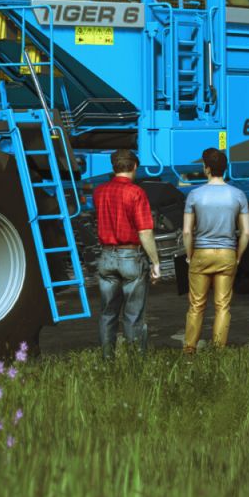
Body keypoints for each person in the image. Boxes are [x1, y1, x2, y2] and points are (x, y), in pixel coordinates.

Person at [181, 148, 249, 353]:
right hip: (227, 253)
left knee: (196, 304)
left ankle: (189, 349)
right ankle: (218, 351)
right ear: (225, 168)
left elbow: (187, 232)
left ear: (207, 168)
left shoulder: (195, 195)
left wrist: (189, 255)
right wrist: (238, 256)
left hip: (201, 254)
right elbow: (246, 232)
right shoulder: (238, 195)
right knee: (222, 305)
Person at [92, 149, 161, 356]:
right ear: (135, 166)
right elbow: (145, 232)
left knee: (107, 313)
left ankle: (107, 358)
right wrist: (155, 262)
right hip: (130, 257)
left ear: (113, 167)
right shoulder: (136, 192)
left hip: (106, 257)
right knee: (133, 314)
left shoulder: (99, 191)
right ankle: (134, 361)